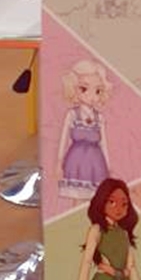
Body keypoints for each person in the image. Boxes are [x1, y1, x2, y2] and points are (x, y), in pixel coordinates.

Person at [57, 60, 112, 200]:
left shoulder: (99, 118)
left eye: (98, 91)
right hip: (75, 163)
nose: (92, 96)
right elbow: (63, 140)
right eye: (84, 89)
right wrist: (58, 163)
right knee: (75, 198)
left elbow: (104, 144)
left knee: (95, 200)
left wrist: (108, 166)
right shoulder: (72, 115)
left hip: (96, 164)